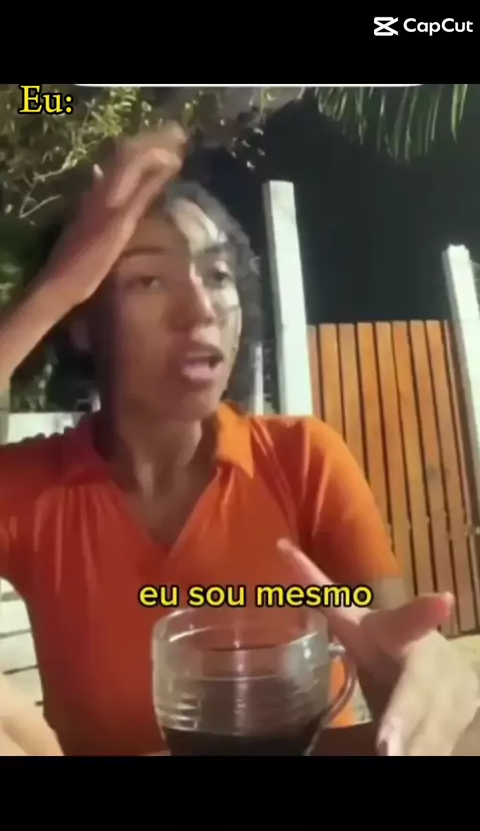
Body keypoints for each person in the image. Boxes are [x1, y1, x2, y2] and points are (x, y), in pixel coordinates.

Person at [0, 125, 478, 756]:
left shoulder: (300, 458)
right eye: (148, 282)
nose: (201, 309)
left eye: (219, 275)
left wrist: (421, 675)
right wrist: (57, 288)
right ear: (82, 323)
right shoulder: (32, 490)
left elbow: (390, 648)